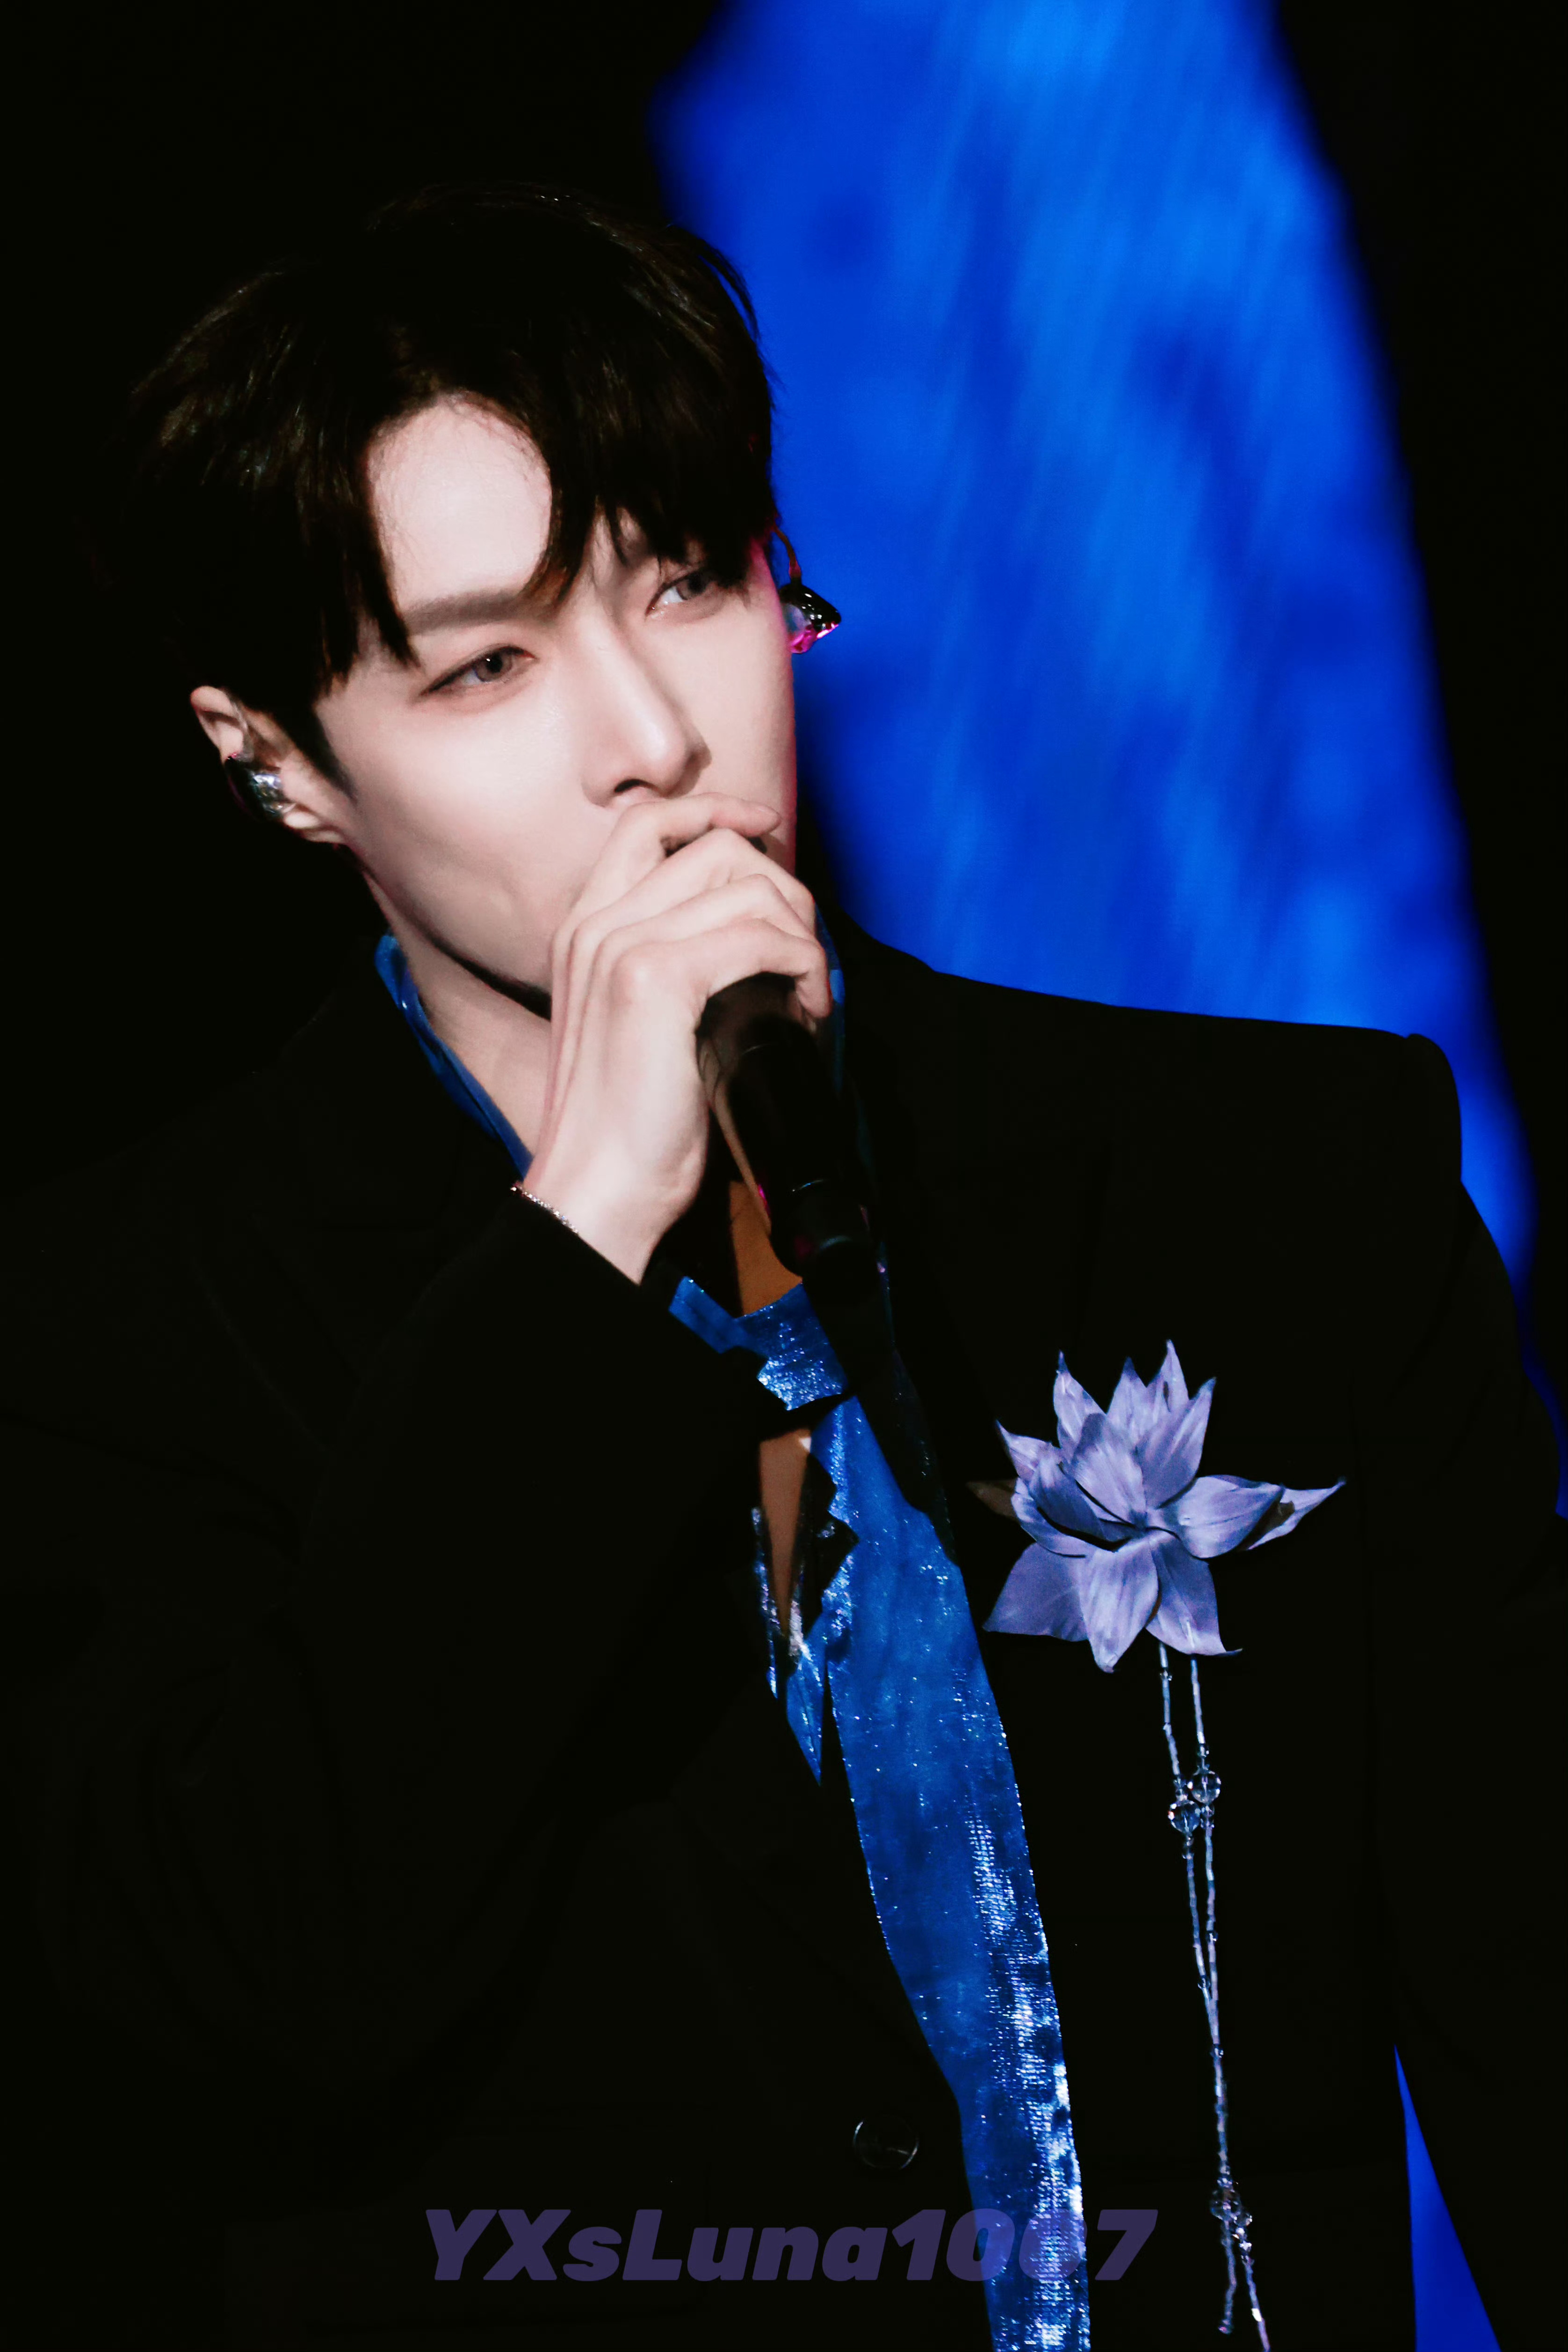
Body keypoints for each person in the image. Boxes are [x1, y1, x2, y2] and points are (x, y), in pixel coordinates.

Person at [4, 183, 1560, 2352]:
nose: (650, 737)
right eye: (484, 665)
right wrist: (583, 1227)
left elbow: (1522, 1982)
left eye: (686, 578)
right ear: (273, 760)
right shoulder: (122, 1328)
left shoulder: (1270, 1181)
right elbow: (239, 1982)